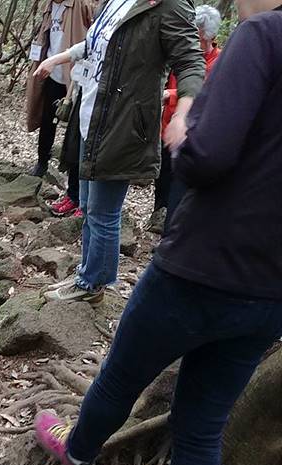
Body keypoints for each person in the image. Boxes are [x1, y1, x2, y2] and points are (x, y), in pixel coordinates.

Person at [33, 1, 282, 465]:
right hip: (268, 290)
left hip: (199, 264)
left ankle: (78, 451)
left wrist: (181, 135)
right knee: (203, 425)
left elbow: (210, 153)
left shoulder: (263, 36)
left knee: (122, 375)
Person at [33, 0, 205, 304]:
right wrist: (56, 59)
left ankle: (93, 284)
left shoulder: (170, 6)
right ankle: (88, 275)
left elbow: (191, 62)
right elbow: (97, 43)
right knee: (88, 205)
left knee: (103, 211)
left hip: (125, 123)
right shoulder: (113, 1)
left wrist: (183, 114)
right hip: (92, 115)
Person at [153, 5, 222, 232]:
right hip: (166, 126)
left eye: (199, 37)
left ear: (207, 36)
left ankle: (170, 232)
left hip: (189, 133)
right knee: (162, 179)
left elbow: (205, 93)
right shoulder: (181, 52)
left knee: (179, 186)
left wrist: (170, 96)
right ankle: (158, 218)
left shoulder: (217, 61)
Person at [25, 0, 94, 217]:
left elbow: (89, 39)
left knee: (75, 133)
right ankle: (42, 161)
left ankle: (78, 195)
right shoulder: (48, 6)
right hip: (50, 71)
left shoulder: (81, 5)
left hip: (75, 77)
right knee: (47, 119)